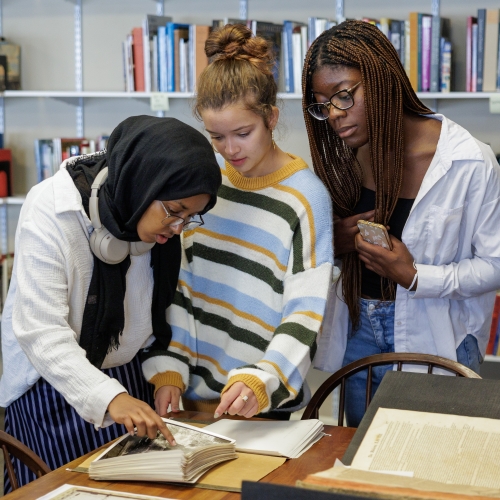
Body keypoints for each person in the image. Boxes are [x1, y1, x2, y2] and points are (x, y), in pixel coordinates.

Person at [0, 115, 222, 491]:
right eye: (174, 210)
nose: (178, 227)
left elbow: (160, 313)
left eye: (190, 217)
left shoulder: (159, 227)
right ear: (141, 184)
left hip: (125, 377)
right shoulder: (50, 209)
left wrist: (163, 374)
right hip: (52, 384)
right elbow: (39, 331)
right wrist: (109, 397)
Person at [302, 20, 500, 426]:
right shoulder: (345, 157)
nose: (335, 116)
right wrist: (331, 243)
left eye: (344, 96)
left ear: (381, 79)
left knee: (431, 463)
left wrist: (412, 275)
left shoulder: (468, 161)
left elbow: (495, 267)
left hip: (437, 334)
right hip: (359, 332)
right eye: (323, 105)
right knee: (360, 461)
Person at [158, 24, 334, 420]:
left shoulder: (306, 198)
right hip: (191, 397)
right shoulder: (207, 183)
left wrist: (264, 378)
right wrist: (170, 366)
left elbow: (306, 311)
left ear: (271, 118)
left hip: (259, 403)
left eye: (242, 132)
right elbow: (182, 283)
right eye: (216, 137)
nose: (230, 149)